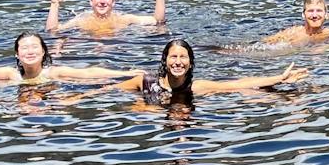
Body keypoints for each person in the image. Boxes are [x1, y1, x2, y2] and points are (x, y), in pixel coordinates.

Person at [103, 39, 309, 103]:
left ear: (190, 63)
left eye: (183, 57)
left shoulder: (195, 87)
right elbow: (110, 90)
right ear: (165, 61)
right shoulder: (144, 81)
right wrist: (79, 97)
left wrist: (279, 78)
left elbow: (235, 85)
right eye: (173, 57)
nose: (178, 62)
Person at [0, 33, 138, 85]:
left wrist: (127, 74)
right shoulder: (11, 74)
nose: (29, 52)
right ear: (17, 55)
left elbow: (90, 73)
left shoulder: (53, 73)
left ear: (43, 52)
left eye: (34, 47)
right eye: (24, 48)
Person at [46, 0, 170, 35]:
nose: (102, 1)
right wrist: (55, 3)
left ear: (113, 2)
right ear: (91, 2)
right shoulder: (81, 21)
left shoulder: (124, 19)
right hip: (90, 52)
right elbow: (53, 30)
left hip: (117, 52)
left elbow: (157, 21)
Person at [262, 0, 329, 46]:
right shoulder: (291, 33)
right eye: (310, 11)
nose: (314, 15)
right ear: (303, 14)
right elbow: (263, 44)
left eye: (319, 11)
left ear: (326, 14)